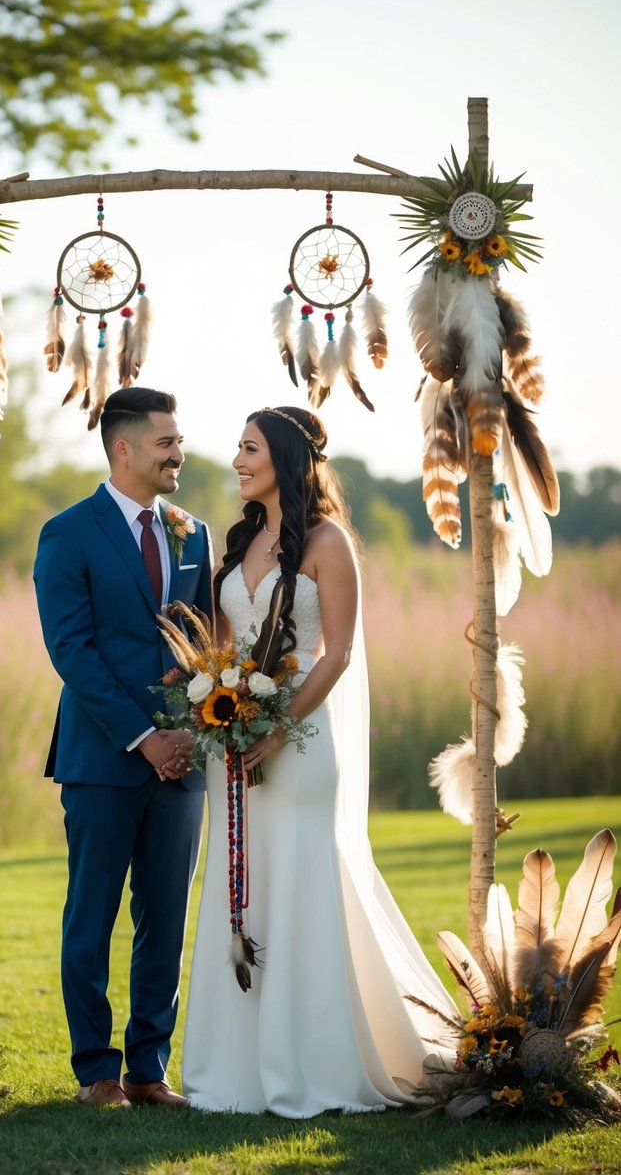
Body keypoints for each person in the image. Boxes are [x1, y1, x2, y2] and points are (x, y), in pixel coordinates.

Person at [182, 405, 455, 1117]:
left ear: (282, 457)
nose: (236, 461)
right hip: (232, 744)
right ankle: (234, 1070)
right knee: (240, 888)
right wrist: (219, 707)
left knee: (301, 886)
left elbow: (335, 653)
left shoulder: (327, 542)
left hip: (299, 744)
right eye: (237, 449)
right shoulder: (239, 541)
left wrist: (277, 728)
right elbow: (217, 650)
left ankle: (313, 1061)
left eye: (248, 449)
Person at [34, 386, 213, 1109]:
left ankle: (147, 1068)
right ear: (124, 449)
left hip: (183, 760)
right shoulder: (66, 533)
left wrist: (189, 731)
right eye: (167, 440)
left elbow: (204, 642)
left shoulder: (193, 533)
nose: (179, 452)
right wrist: (143, 738)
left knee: (164, 918)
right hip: (104, 757)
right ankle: (95, 1073)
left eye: (179, 439)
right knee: (92, 914)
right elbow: (70, 651)